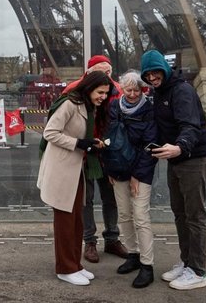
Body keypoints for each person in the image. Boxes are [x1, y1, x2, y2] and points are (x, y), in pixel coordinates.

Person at [141, 50, 206, 291]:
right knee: (180, 214)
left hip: (192, 158)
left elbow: (191, 126)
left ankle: (198, 271)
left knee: (194, 216)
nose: (151, 77)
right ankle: (187, 263)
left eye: (155, 72)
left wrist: (179, 147)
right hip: (176, 158)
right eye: (147, 74)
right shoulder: (159, 92)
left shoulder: (181, 91)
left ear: (164, 68)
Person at [37, 71, 113, 286]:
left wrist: (90, 142)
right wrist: (80, 143)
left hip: (76, 170)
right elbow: (50, 132)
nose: (103, 97)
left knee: (76, 219)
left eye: (106, 93)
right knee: (64, 222)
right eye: (100, 92)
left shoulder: (87, 106)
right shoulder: (70, 104)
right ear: (89, 88)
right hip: (62, 170)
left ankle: (75, 265)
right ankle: (65, 268)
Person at [64, 55, 128, 263]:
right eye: (101, 72)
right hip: (84, 153)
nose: (105, 77)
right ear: (90, 74)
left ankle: (111, 238)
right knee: (86, 199)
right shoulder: (74, 91)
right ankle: (89, 240)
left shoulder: (118, 92)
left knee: (111, 198)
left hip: (108, 152)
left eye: (108, 72)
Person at [106, 70, 158, 288]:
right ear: (122, 89)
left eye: (137, 89)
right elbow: (109, 138)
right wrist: (109, 167)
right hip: (118, 168)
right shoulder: (114, 107)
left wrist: (137, 174)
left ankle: (147, 265)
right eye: (129, 90)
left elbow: (151, 144)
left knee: (140, 215)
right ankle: (133, 255)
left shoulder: (149, 109)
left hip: (141, 170)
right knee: (125, 214)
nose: (134, 94)